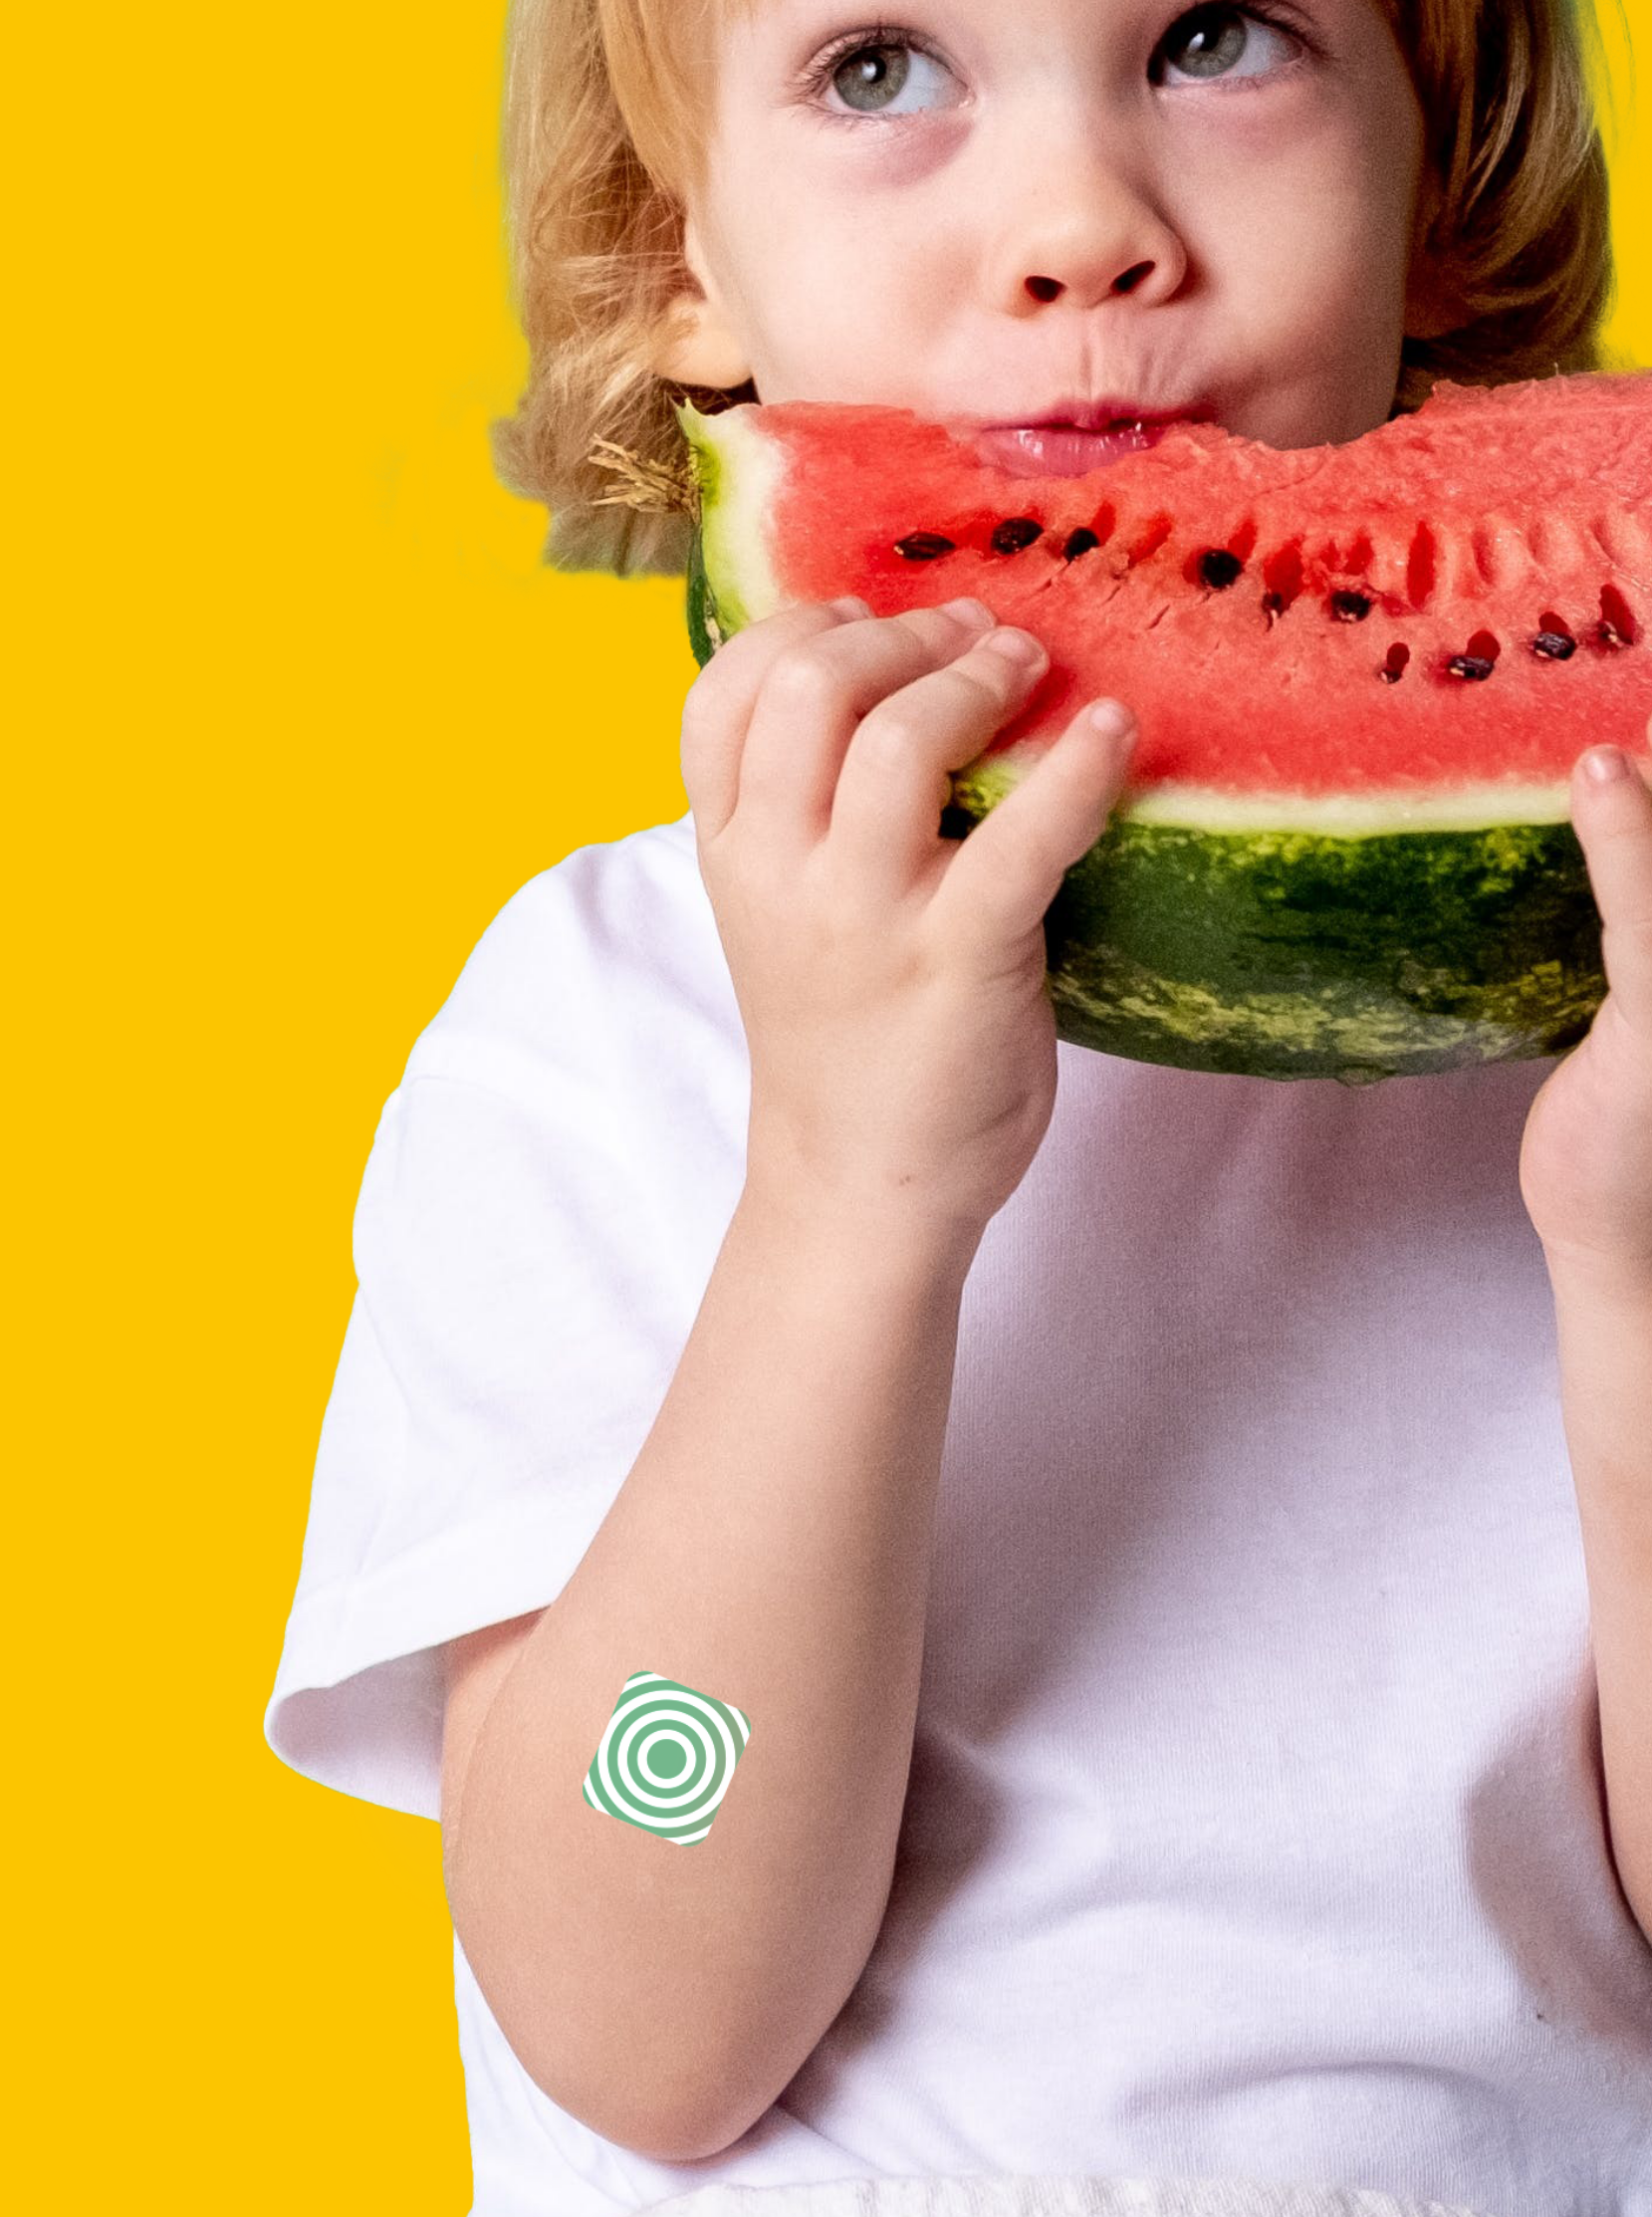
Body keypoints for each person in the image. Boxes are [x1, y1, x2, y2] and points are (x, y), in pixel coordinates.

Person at [261, 3, 1652, 2213]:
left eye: (1213, 38)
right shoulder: (606, 1033)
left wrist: (1632, 1274)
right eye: (879, 70)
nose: (1078, 227)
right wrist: (841, 1195)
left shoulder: (1621, 1018)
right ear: (671, 264)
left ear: (1446, 188)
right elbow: (636, 2004)